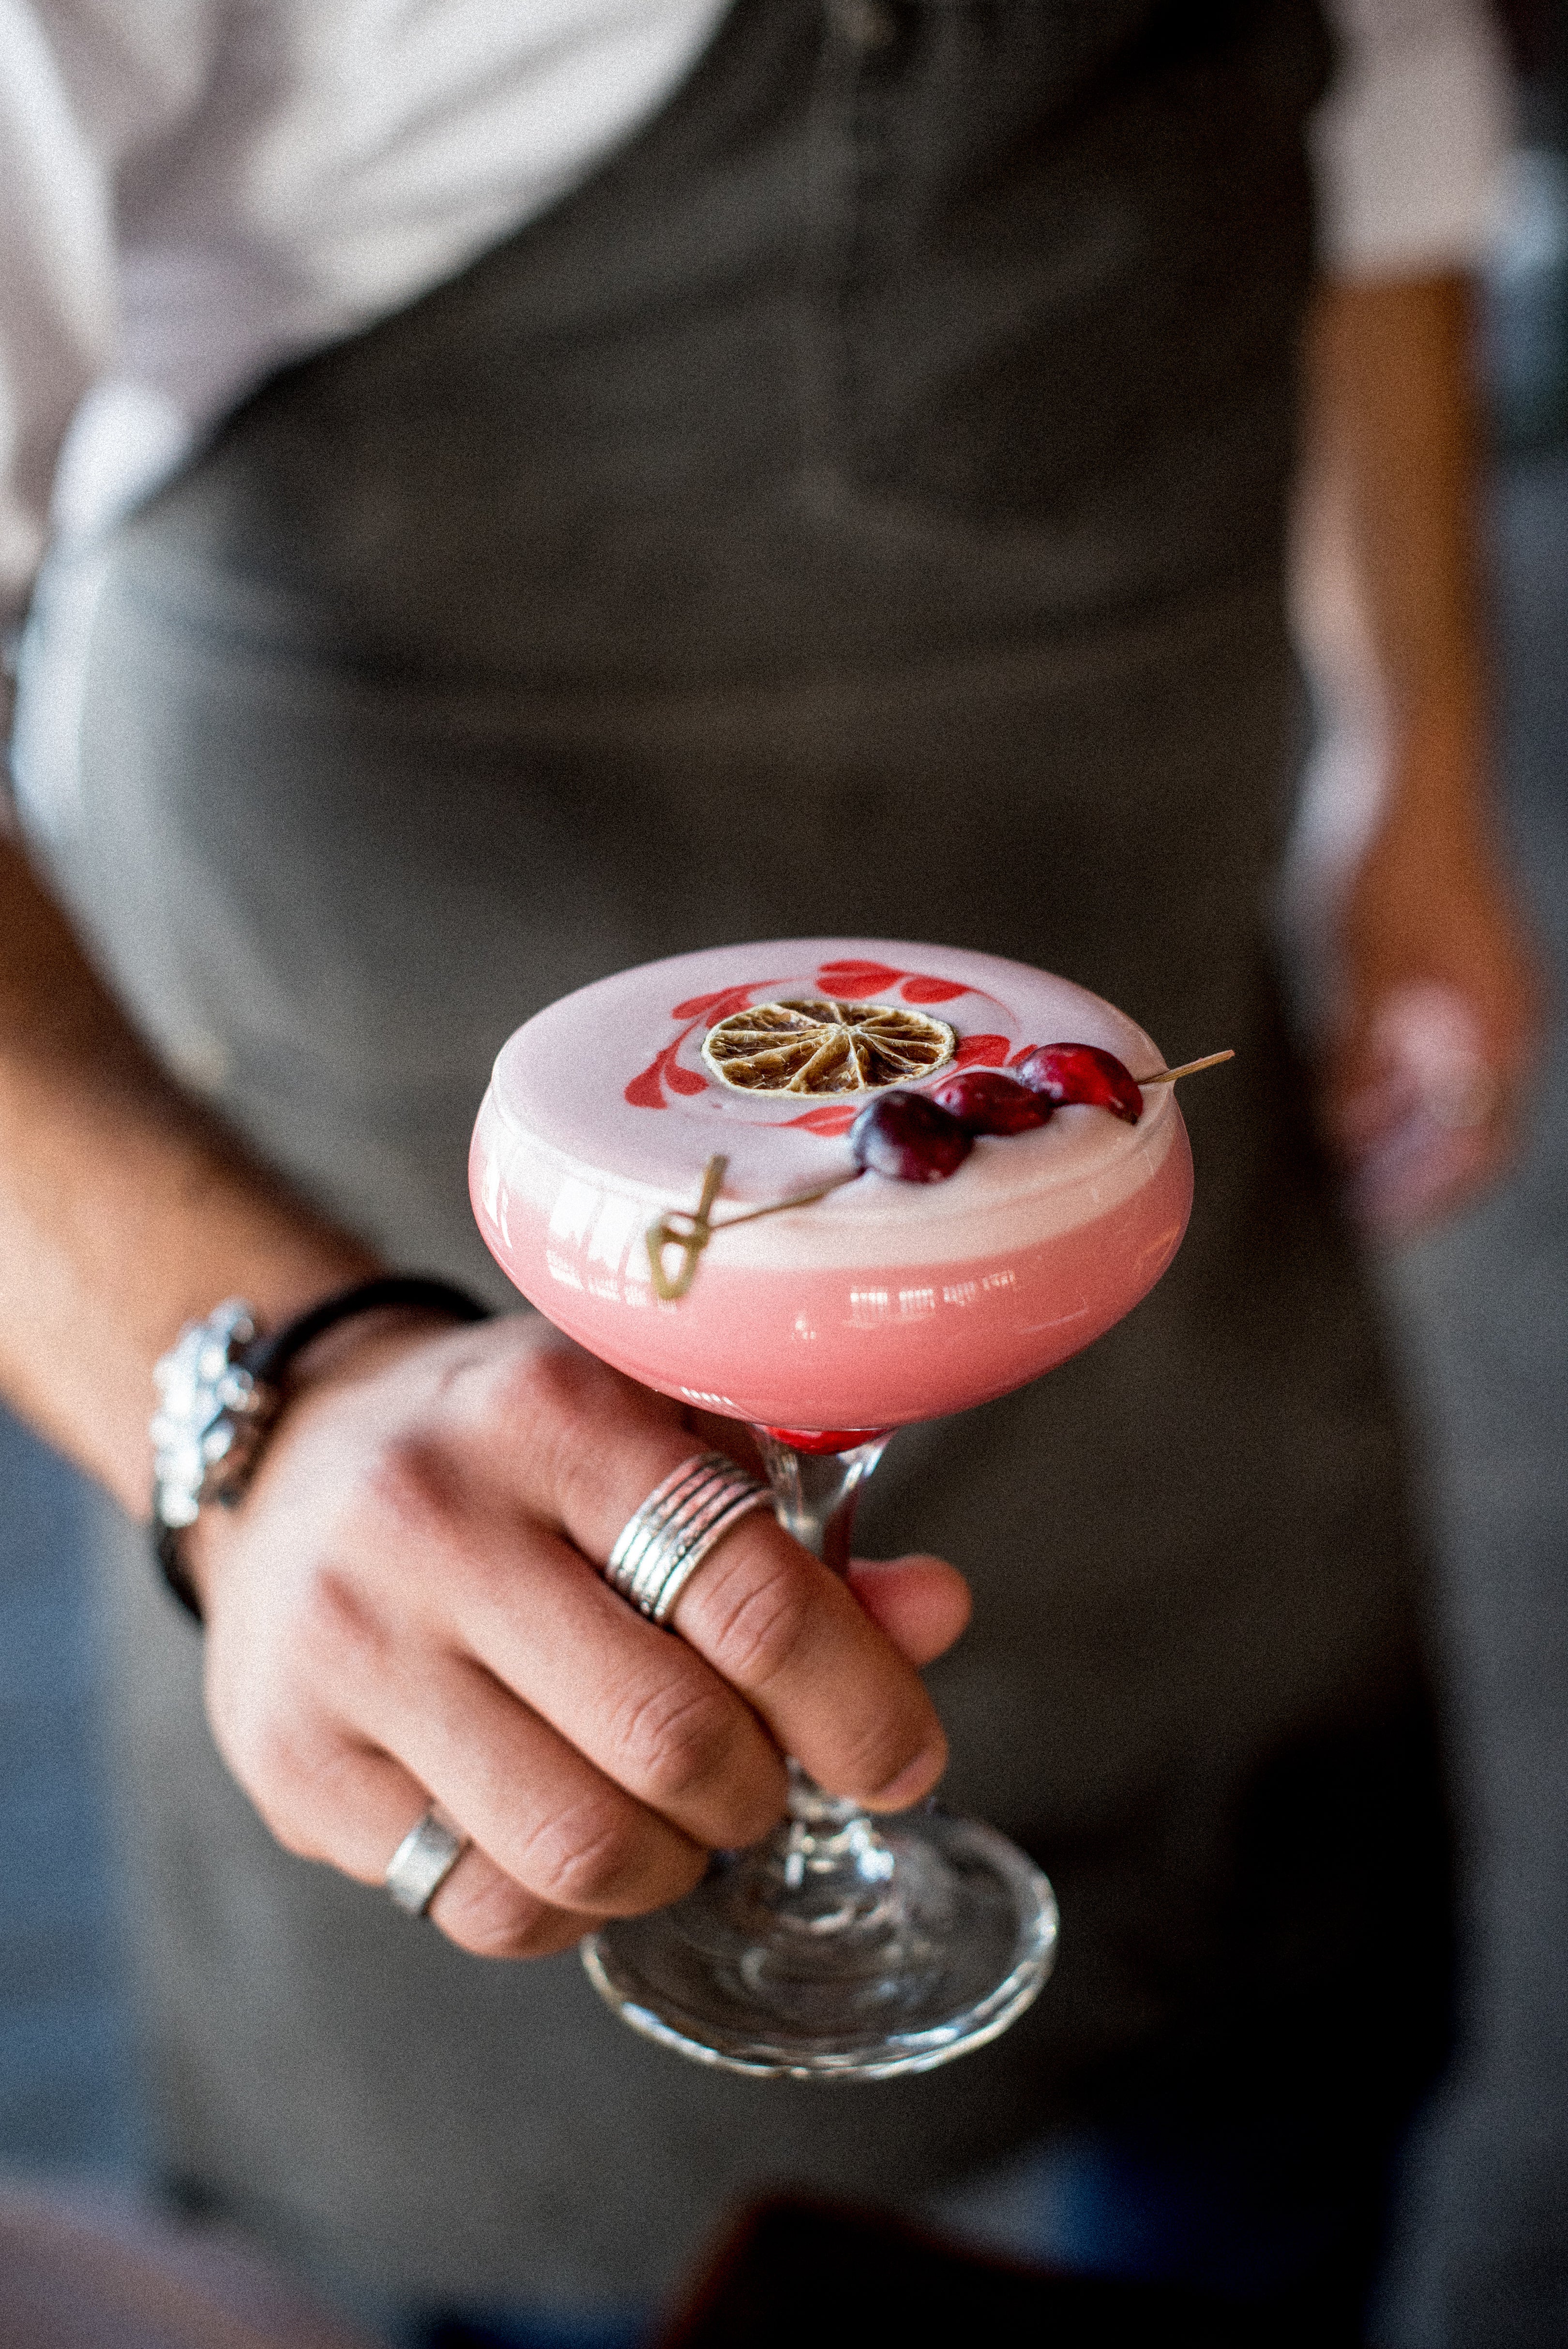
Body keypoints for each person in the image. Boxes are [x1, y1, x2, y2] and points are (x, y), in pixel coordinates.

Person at [0, 1, 1540, 2340]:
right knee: (617, 2221)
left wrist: (1415, 748)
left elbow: (1384, 104)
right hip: (459, 1243)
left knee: (1278, 2095)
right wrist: (260, 1398)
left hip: (1130, 1153)